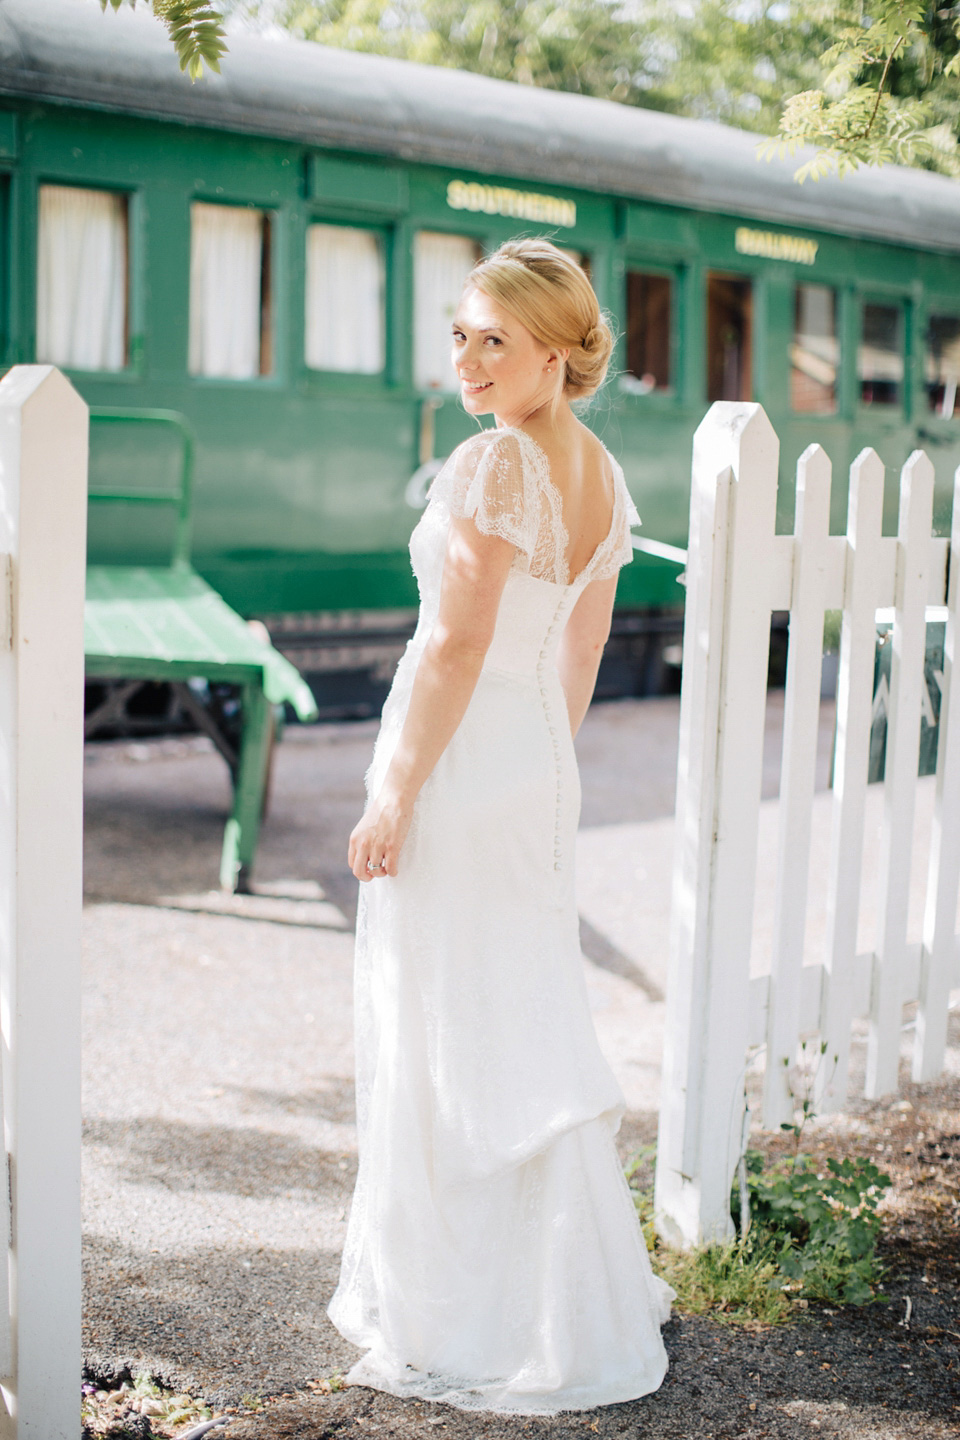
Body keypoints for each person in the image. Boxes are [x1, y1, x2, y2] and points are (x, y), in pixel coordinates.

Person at [327, 238, 675, 1414]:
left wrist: (395, 792)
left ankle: (464, 1308)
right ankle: (558, 1293)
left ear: (555, 355)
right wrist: (543, 766)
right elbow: (576, 650)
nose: (470, 361)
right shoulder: (602, 473)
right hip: (536, 760)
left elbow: (452, 645)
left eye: (497, 341)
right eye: (462, 335)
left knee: (448, 1015)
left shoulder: (491, 465)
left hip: (466, 756)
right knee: (518, 1005)